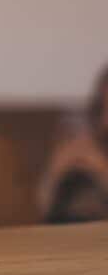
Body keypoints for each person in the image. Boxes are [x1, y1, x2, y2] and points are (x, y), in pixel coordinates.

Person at [37, 64, 108, 223]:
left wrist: (101, 169)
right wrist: (57, 168)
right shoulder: (88, 142)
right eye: (105, 106)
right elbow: (44, 205)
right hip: (64, 230)